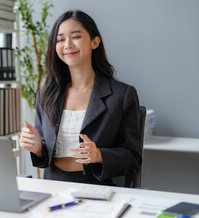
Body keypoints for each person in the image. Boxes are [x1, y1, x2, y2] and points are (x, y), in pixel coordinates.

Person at [20, 10, 142, 186]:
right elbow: (44, 153)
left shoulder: (122, 95)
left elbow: (133, 159)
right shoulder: (45, 95)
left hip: (97, 188)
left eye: (75, 36)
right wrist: (37, 148)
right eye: (60, 39)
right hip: (53, 185)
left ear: (95, 42)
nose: (67, 44)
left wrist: (100, 156)